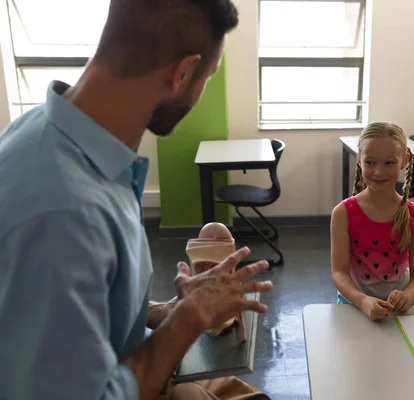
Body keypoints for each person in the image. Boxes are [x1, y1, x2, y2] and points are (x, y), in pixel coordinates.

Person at [0, 1, 273, 399]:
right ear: (182, 72)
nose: (201, 90)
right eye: (207, 77)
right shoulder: (61, 215)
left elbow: (69, 302)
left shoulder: (49, 132)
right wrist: (187, 320)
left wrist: (160, 312)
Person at [330, 121, 414, 321]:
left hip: (398, 310)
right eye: (370, 162)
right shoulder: (342, 213)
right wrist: (363, 300)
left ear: (405, 160)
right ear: (359, 160)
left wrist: (408, 295)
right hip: (353, 306)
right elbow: (339, 273)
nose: (379, 172)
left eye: (389, 163)